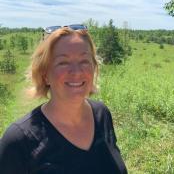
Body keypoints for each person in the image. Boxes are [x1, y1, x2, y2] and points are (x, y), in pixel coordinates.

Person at [0, 24, 127, 174]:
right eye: (63, 62)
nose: (76, 71)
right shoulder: (19, 141)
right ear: (45, 74)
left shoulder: (102, 114)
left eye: (84, 61)